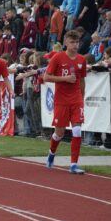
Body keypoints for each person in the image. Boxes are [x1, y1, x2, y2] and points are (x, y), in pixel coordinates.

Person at [43, 30, 87, 174]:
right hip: (61, 100)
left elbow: (81, 79)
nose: (75, 45)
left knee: (77, 130)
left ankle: (73, 164)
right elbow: (46, 77)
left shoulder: (82, 59)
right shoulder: (58, 58)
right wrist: (65, 79)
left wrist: (82, 97)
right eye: (72, 42)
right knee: (59, 133)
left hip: (76, 99)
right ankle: (51, 153)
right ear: (66, 43)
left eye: (77, 42)